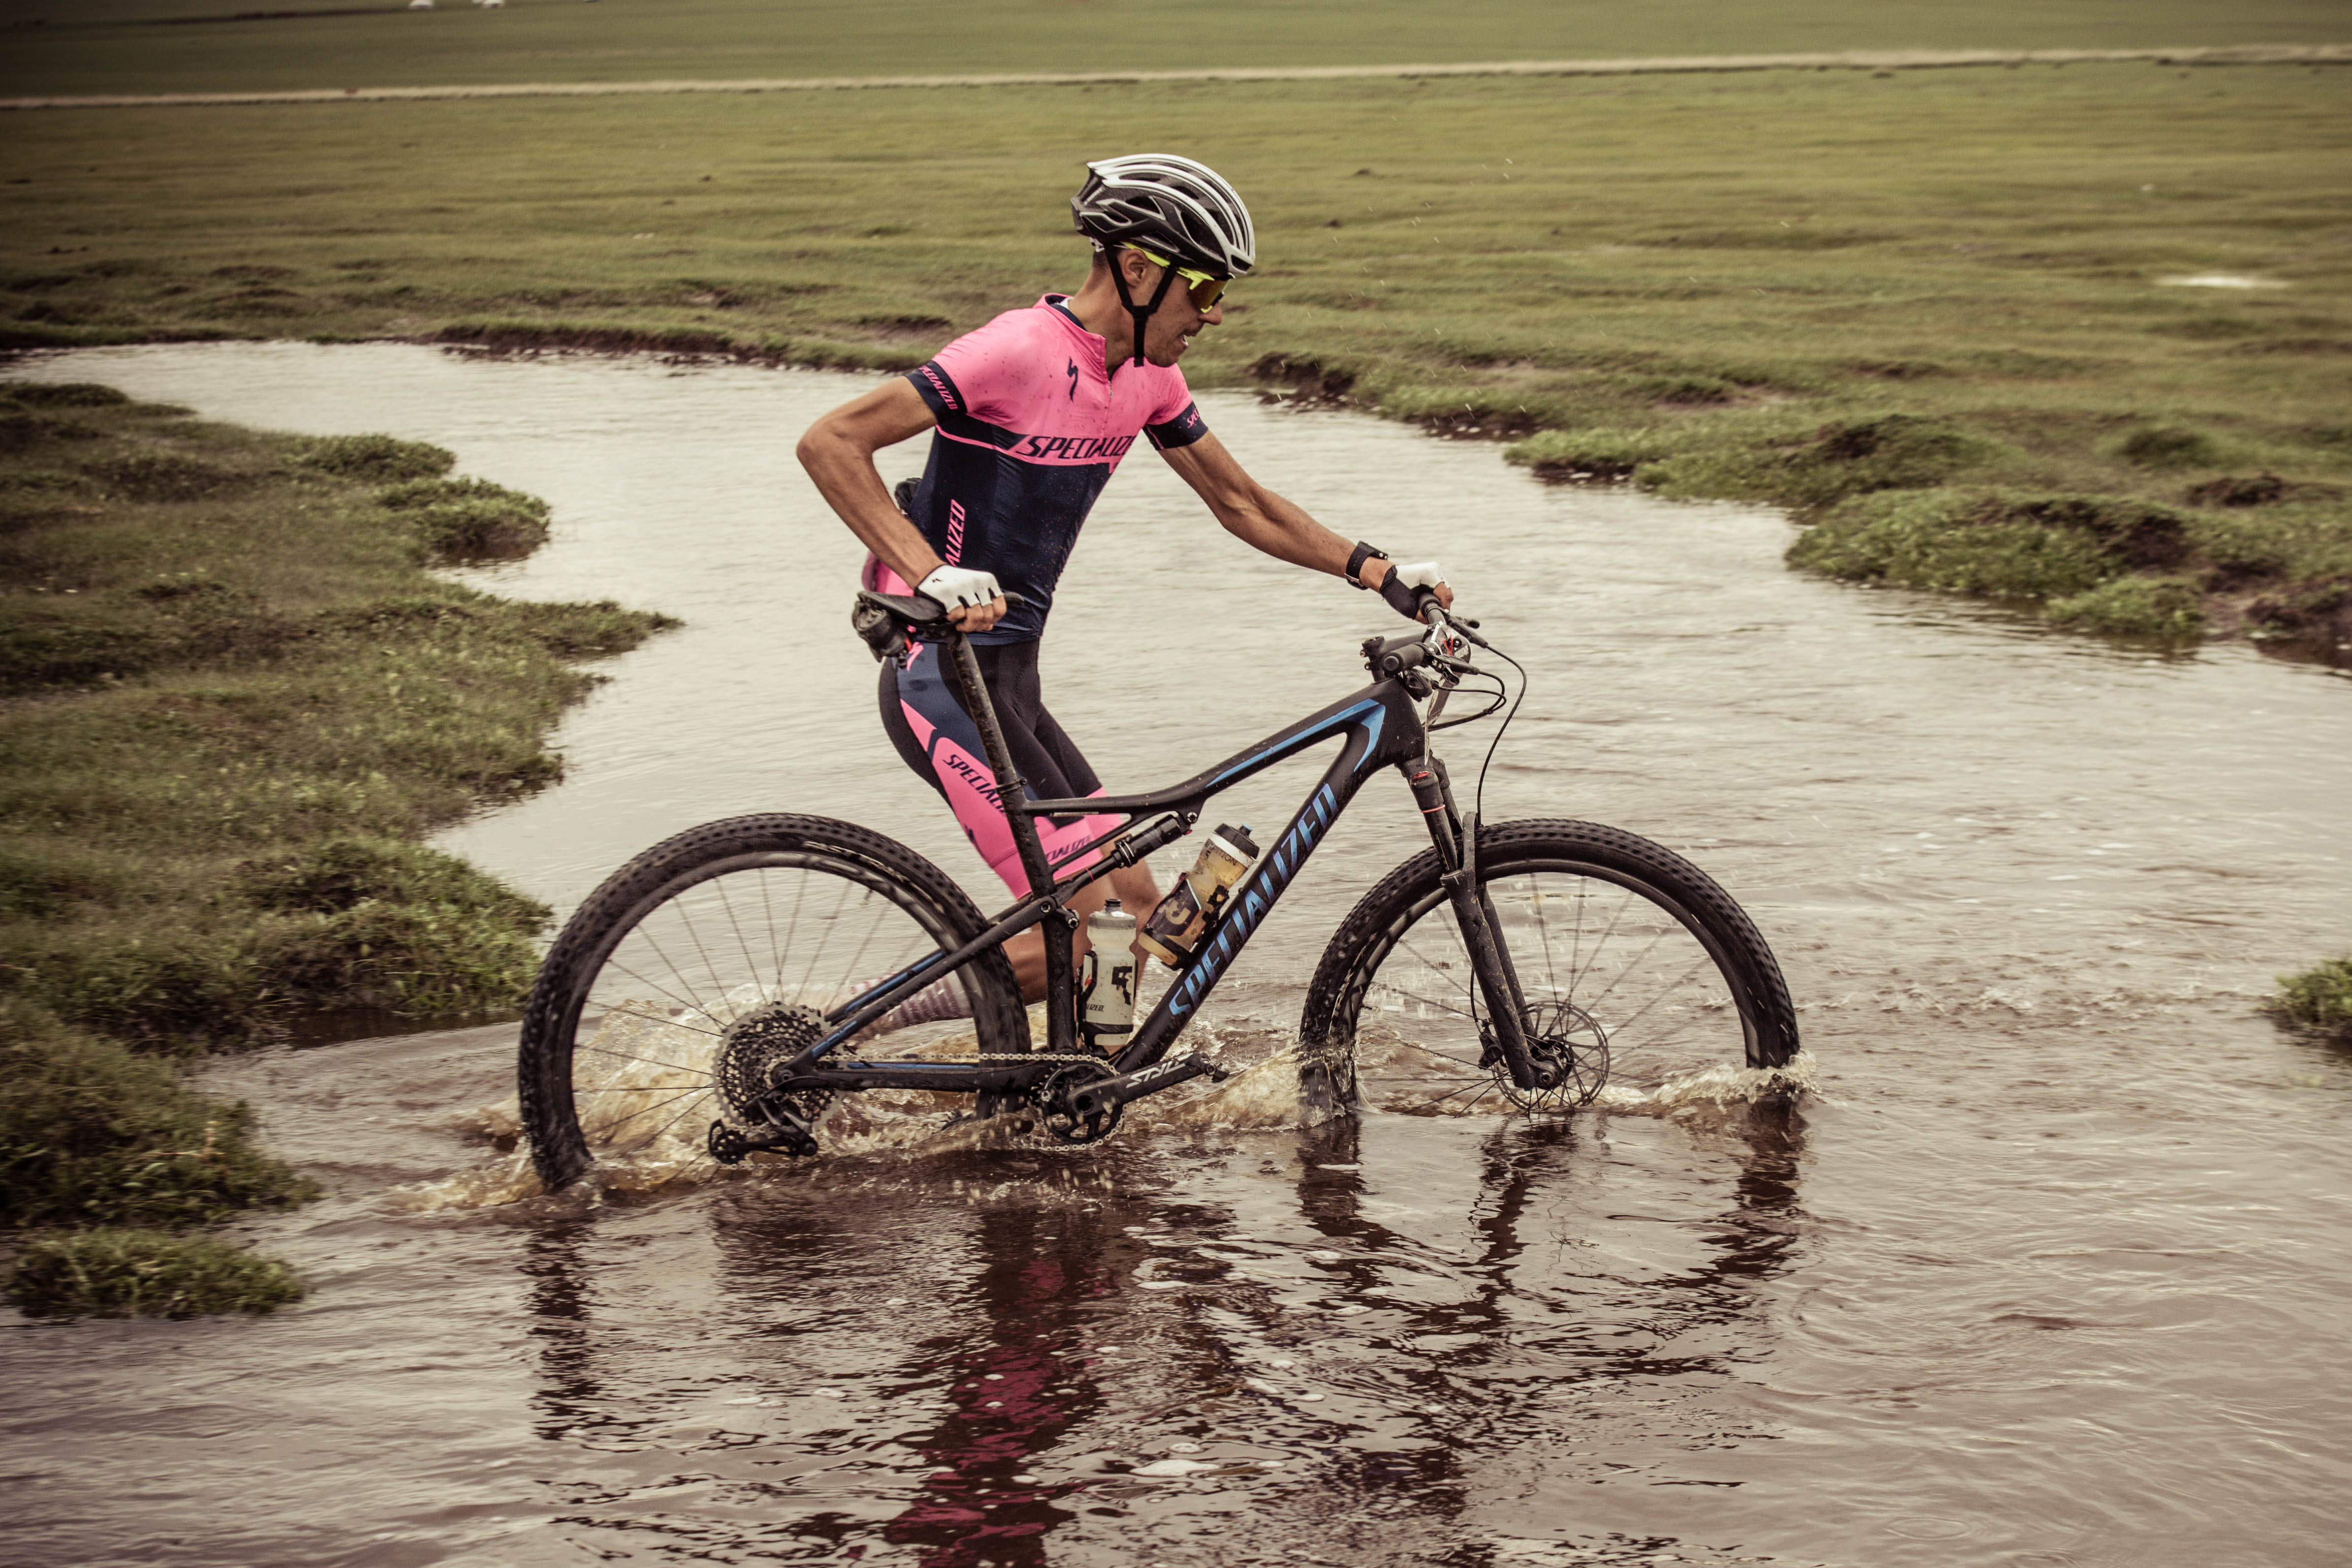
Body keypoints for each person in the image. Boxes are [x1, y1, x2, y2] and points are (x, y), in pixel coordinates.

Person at [797, 153, 1451, 1026]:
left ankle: (1086, 1087)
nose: (1214, 314)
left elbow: (1240, 501)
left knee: (1143, 916)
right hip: (940, 682)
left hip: (1011, 687)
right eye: (1203, 289)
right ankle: (831, 1033)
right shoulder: (1016, 350)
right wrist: (930, 572)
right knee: (1085, 928)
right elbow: (831, 442)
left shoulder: (1148, 376)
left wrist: (1379, 571)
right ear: (1138, 270)